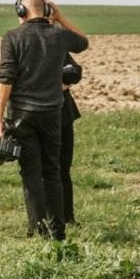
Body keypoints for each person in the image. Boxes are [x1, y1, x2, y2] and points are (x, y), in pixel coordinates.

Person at [0, 0, 89, 240]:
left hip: (22, 115)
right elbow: (83, 41)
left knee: (30, 173)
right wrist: (60, 18)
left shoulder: (13, 37)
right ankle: (58, 230)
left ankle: (36, 229)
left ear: (20, 12)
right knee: (52, 172)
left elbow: (5, 79)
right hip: (52, 113)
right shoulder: (59, 36)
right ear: (46, 10)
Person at [60, 56, 82, 230]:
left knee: (63, 168)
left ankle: (67, 217)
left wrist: (64, 81)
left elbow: (75, 70)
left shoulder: (57, 42)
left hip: (63, 114)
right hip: (35, 114)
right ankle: (41, 219)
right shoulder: (20, 41)